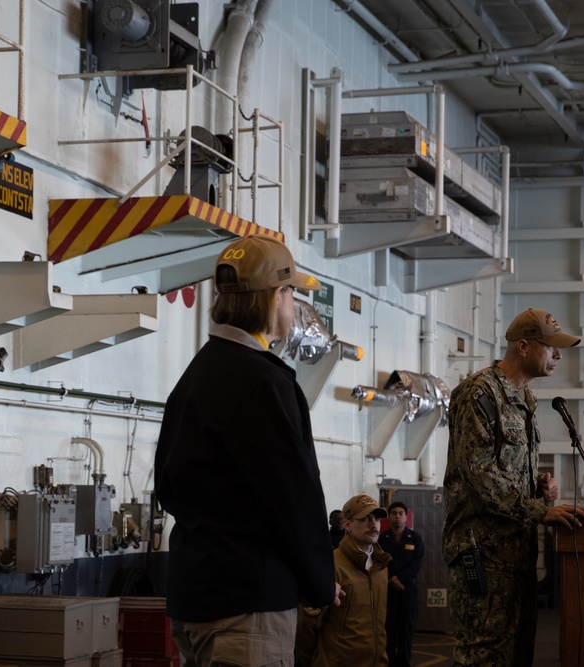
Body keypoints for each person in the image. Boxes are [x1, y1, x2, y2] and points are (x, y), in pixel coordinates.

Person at [155, 234, 338, 667]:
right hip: (247, 610)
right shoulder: (265, 383)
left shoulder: (198, 373)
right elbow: (294, 496)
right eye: (292, 291)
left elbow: (167, 485)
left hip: (194, 597)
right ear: (276, 297)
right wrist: (322, 582)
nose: (293, 303)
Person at [442, 307, 584, 666]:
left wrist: (539, 488)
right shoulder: (479, 393)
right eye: (551, 347)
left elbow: (504, 471)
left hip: (517, 556)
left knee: (517, 655)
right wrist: (541, 511)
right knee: (484, 655)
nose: (557, 355)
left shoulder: (525, 400)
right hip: (483, 554)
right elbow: (481, 475)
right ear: (523, 347)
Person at [299, 494, 391, 667]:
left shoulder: (381, 566)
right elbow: (306, 626)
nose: (374, 525)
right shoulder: (330, 566)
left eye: (377, 519)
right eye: (365, 518)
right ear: (347, 525)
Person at [379, 501, 425, 667]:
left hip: (407, 592)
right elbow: (378, 563)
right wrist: (391, 578)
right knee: (388, 633)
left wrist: (401, 578)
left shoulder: (415, 539)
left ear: (406, 517)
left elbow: (418, 563)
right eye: (394, 513)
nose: (397, 516)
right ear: (389, 517)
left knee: (406, 634)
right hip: (387, 593)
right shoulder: (381, 539)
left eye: (400, 513)